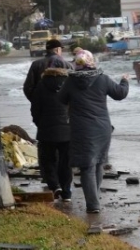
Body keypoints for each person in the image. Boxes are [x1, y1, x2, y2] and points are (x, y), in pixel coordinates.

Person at [58, 50, 129, 213]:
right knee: (98, 163)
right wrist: (125, 81)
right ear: (92, 62)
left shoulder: (70, 81)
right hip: (102, 128)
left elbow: (61, 99)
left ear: (76, 63)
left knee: (87, 166)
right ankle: (94, 200)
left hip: (81, 129)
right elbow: (120, 94)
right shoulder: (102, 78)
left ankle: (93, 204)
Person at [30, 55, 73, 201]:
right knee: (66, 162)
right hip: (67, 130)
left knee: (48, 160)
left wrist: (39, 123)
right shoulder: (69, 83)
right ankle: (66, 193)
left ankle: (55, 186)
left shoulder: (41, 85)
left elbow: (35, 108)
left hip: (46, 130)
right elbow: (74, 106)